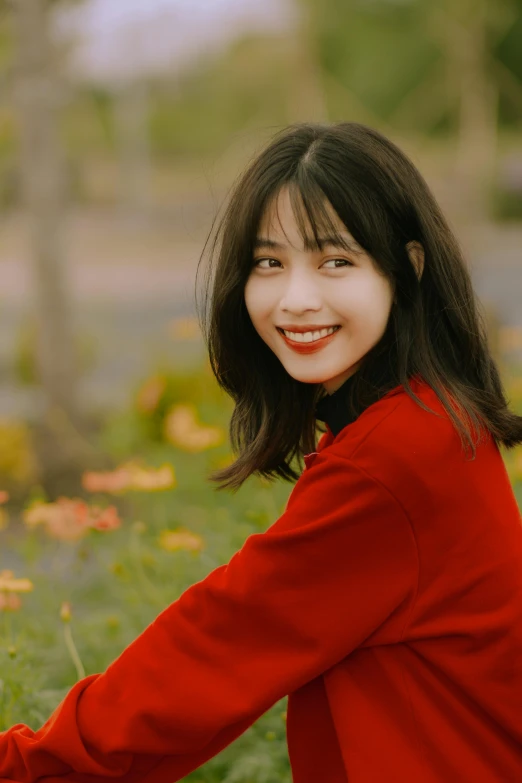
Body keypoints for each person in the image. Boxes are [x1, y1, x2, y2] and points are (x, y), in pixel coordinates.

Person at [1, 121, 522, 783]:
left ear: (407, 268)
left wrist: (22, 764)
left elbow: (211, 651)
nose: (296, 298)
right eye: (269, 262)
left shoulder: (393, 462)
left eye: (336, 260)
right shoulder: (433, 419)